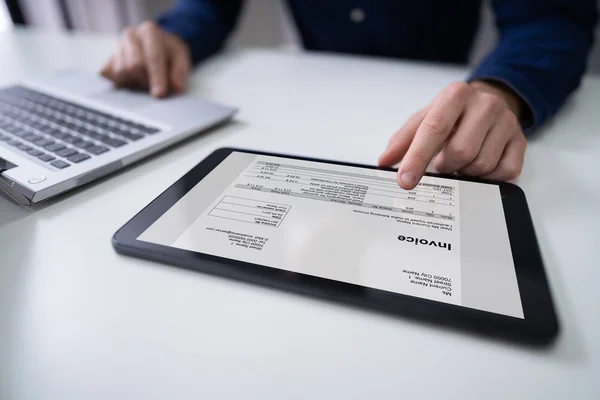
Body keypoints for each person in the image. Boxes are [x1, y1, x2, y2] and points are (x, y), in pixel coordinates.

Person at [100, 0, 597, 190]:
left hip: (443, 124)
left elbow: (550, 19)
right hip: (310, 115)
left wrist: (502, 88)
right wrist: (174, 34)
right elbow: (211, 4)